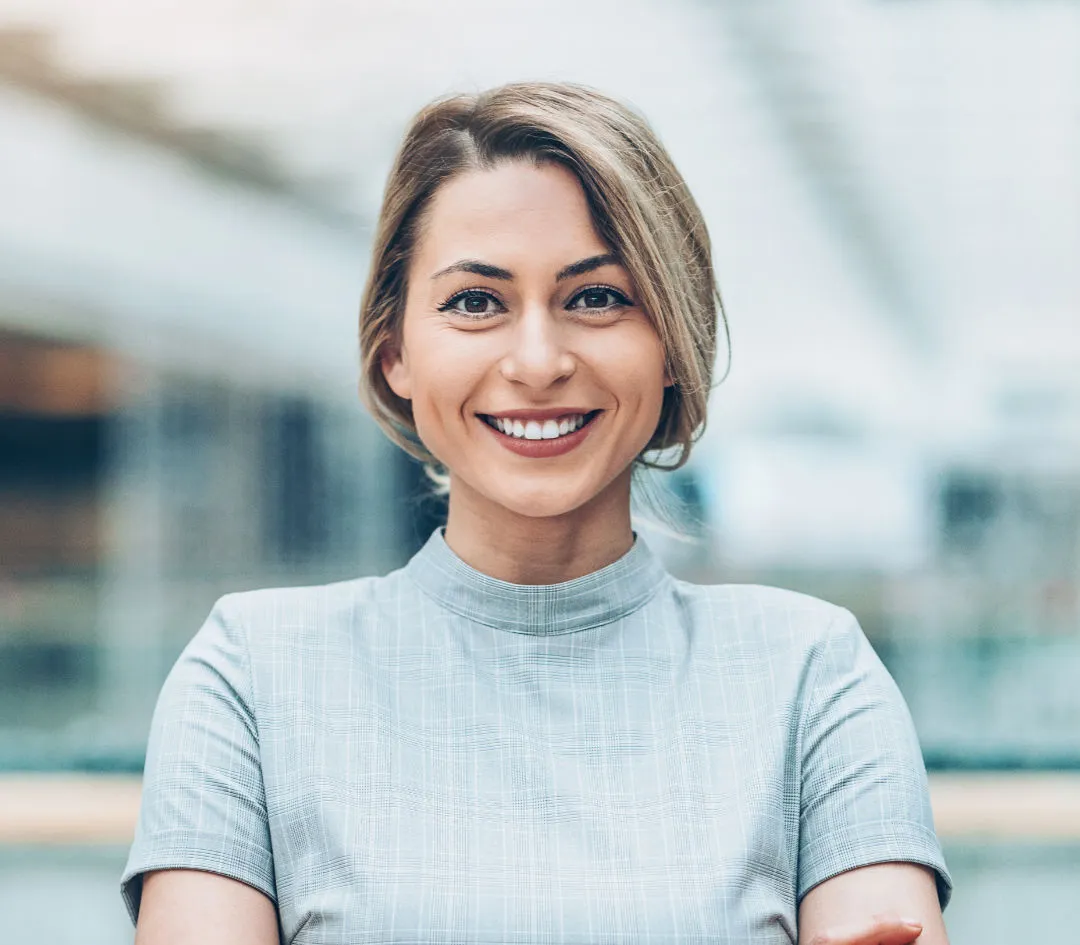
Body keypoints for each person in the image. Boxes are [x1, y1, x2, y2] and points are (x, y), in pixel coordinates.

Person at [121, 82, 952, 944]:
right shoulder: (251, 675)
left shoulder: (812, 673)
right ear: (396, 352)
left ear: (671, 343)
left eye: (596, 298)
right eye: (475, 302)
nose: (537, 360)